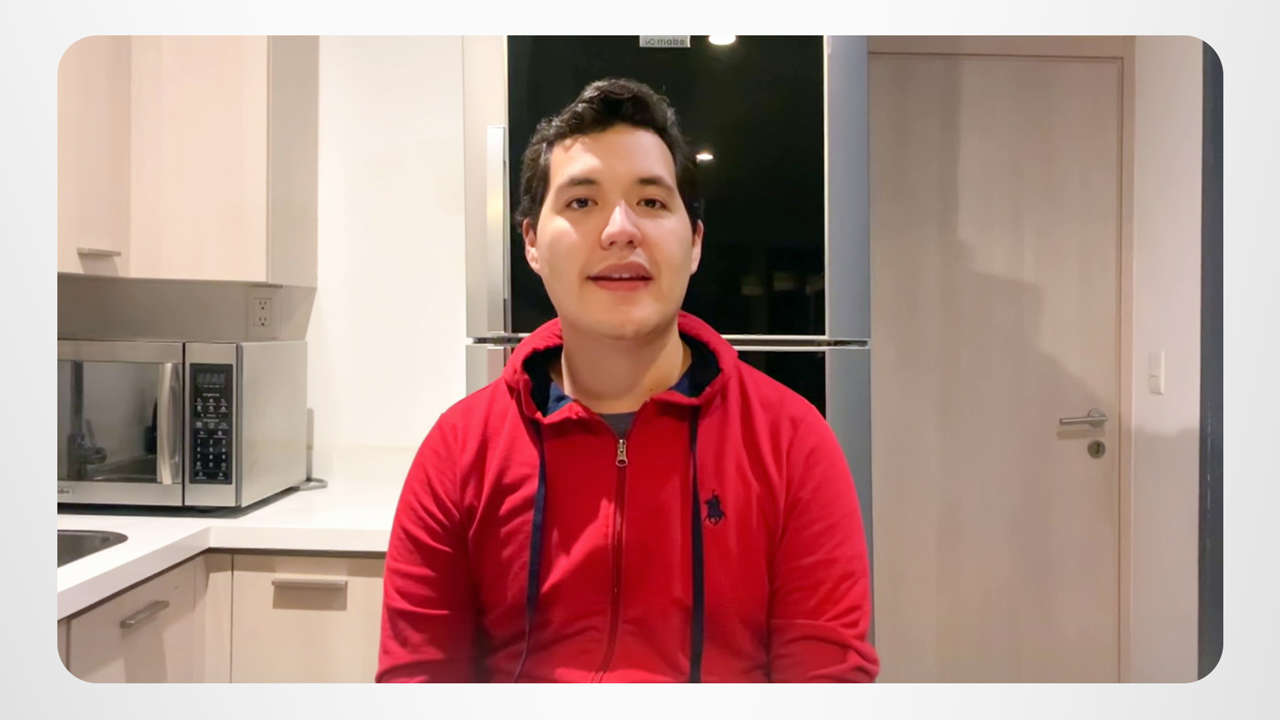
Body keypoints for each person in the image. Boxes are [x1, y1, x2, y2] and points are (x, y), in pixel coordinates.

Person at [376, 77, 878, 683]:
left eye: (651, 202)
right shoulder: (460, 450)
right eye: (581, 203)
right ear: (531, 241)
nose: (620, 229)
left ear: (695, 243)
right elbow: (418, 680)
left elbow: (826, 684)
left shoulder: (793, 443)